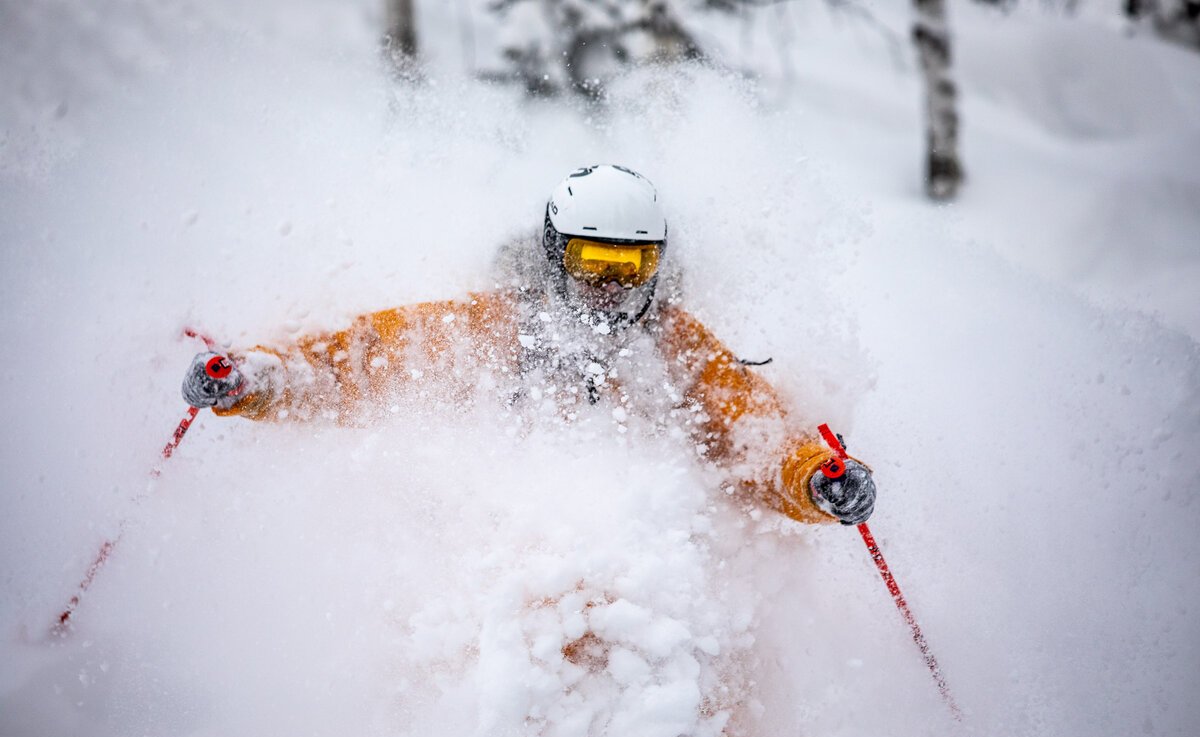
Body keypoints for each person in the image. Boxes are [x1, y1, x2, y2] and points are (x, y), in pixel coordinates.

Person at [181, 164, 875, 527]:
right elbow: (355, 364)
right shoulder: (490, 327)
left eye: (628, 267)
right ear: (553, 253)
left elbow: (754, 434)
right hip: (500, 547)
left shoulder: (676, 344)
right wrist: (254, 381)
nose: (608, 285)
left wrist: (816, 480)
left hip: (645, 561)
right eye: (591, 261)